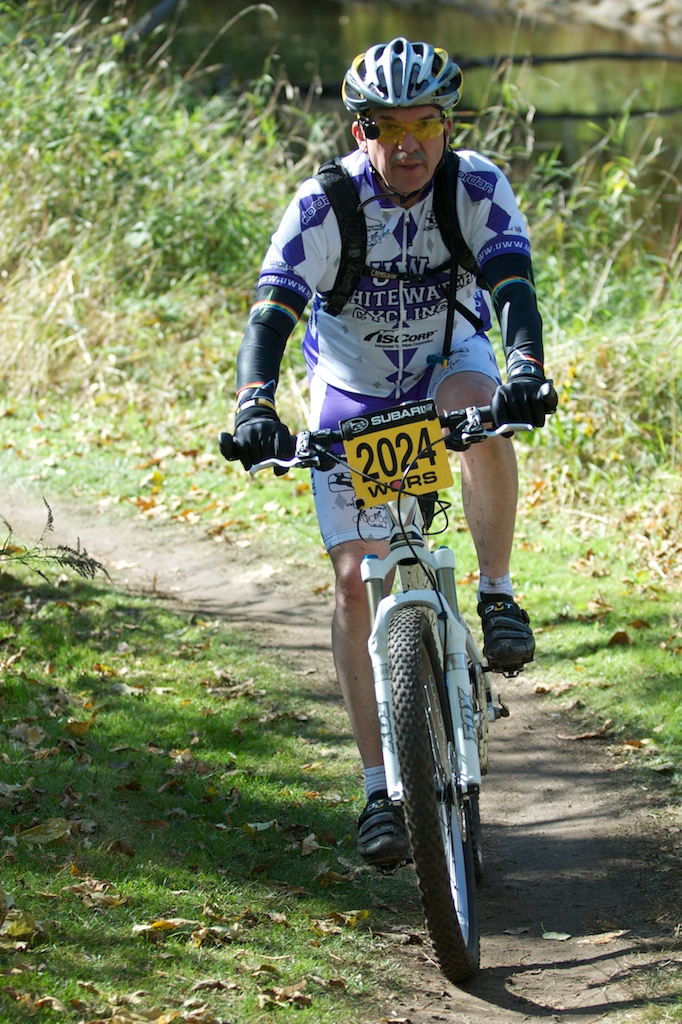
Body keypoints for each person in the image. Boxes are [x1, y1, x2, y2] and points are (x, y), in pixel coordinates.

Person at [224, 38, 557, 869]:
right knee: (352, 580)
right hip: (355, 395)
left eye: (427, 122)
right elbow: (272, 318)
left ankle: (499, 594)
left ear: (449, 124)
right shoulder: (323, 206)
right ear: (357, 128)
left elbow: (513, 286)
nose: (408, 142)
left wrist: (526, 370)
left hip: (451, 363)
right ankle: (379, 787)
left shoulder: (475, 184)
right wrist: (254, 403)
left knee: (479, 408)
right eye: (386, 125)